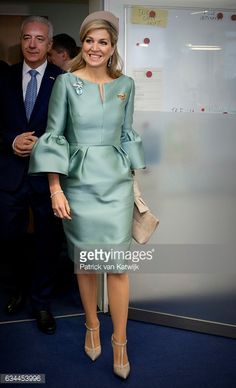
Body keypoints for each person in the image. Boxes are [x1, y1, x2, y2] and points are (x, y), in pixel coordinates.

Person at [29, 10, 145, 378]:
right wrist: (54, 189)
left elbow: (127, 134)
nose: (96, 48)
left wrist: (134, 182)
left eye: (104, 42)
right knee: (85, 261)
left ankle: (120, 341)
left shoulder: (126, 83)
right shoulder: (65, 83)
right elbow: (54, 136)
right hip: (77, 185)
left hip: (116, 185)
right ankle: (92, 324)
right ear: (84, 44)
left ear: (112, 48)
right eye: (90, 41)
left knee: (118, 267)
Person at [0, 16, 65, 334]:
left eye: (40, 39)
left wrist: (45, 144)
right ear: (20, 41)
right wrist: (12, 140)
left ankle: (41, 303)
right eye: (27, 37)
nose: (32, 44)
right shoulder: (3, 78)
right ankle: (16, 290)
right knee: (8, 239)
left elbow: (70, 130)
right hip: (9, 175)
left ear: (50, 44)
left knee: (47, 243)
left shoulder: (63, 80)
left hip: (47, 177)